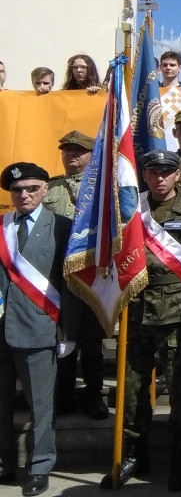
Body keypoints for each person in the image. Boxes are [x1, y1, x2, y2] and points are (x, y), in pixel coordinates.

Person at [109, 150, 181, 491]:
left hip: (178, 313)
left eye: (166, 172)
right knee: (132, 387)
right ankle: (133, 453)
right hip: (137, 310)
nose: (159, 178)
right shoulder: (131, 208)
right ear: (145, 175)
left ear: (177, 175)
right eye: (153, 172)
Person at [0, 162, 77, 497]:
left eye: (32, 188)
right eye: (17, 190)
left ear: (46, 189)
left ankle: (40, 467)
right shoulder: (1, 226)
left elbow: (72, 284)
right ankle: (4, 462)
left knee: (41, 408)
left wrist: (68, 331)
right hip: (1, 330)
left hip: (40, 329)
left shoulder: (62, 227)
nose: (24, 195)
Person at [42, 131, 107, 420]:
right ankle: (64, 395)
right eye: (67, 150)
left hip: (91, 273)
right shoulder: (50, 188)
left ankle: (94, 396)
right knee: (63, 336)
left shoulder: (102, 188)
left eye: (78, 150)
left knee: (91, 339)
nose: (71, 154)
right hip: (57, 274)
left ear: (91, 155)